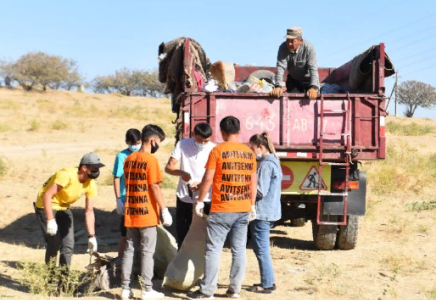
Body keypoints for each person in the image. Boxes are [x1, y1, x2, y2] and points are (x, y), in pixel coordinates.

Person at [188, 116, 257, 299]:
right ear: (239, 131)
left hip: (222, 208)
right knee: (239, 249)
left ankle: (207, 291)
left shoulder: (217, 150)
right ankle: (234, 290)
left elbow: (208, 178)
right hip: (243, 207)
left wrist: (200, 201)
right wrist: (251, 204)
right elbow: (253, 181)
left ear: (223, 133)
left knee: (213, 249)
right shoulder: (249, 152)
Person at [120, 124, 173, 300]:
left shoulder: (129, 159)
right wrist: (164, 209)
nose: (158, 145)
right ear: (152, 141)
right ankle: (147, 289)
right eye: (158, 142)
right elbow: (154, 187)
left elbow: (128, 185)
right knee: (147, 253)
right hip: (147, 213)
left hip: (131, 212)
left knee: (129, 251)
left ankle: (125, 288)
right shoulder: (151, 161)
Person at [34, 153, 105, 268]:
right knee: (55, 242)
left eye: (98, 168)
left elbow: (89, 211)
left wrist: (91, 236)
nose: (97, 171)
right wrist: (50, 219)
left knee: (68, 245)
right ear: (84, 168)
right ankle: (49, 277)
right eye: (94, 168)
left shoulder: (90, 183)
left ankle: (64, 282)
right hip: (46, 205)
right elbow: (47, 195)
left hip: (63, 207)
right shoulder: (66, 176)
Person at [165, 122, 215, 249]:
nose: (203, 144)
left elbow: (219, 174)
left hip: (207, 196)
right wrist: (182, 173)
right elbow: (169, 168)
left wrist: (201, 185)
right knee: (183, 230)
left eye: (206, 141)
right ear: (194, 135)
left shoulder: (214, 149)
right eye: (200, 140)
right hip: (185, 195)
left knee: (206, 232)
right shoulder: (182, 144)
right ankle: (182, 256)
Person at [247, 132, 283, 294]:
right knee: (262, 248)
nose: (252, 151)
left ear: (261, 147)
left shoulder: (266, 165)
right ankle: (267, 280)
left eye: (253, 148)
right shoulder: (273, 161)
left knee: (261, 249)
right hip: (270, 211)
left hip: (262, 212)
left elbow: (260, 191)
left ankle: (267, 284)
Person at [112, 128, 142, 257]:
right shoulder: (122, 156)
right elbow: (117, 178)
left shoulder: (144, 154)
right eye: (132, 143)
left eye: (137, 143)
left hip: (141, 198)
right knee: (125, 233)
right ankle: (120, 260)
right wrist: (118, 199)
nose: (135, 146)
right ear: (126, 142)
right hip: (126, 198)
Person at [270, 26, 319, 100]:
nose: (289, 44)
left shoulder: (309, 48)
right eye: (288, 40)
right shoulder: (283, 48)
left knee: (312, 99)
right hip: (294, 79)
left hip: (309, 80)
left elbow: (313, 69)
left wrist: (313, 87)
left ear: (300, 41)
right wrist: (278, 86)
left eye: (292, 41)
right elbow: (280, 67)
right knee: (292, 103)